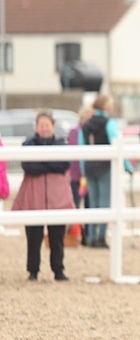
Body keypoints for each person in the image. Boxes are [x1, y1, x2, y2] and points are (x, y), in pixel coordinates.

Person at [12, 111, 73, 281]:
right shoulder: (28, 144)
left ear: (53, 126)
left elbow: (63, 165)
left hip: (57, 197)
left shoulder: (62, 145)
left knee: (57, 237)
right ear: (36, 127)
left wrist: (42, 162)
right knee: (33, 236)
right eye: (41, 125)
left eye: (47, 125)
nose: (44, 128)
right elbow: (29, 167)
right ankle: (33, 271)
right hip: (35, 197)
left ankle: (58, 270)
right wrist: (50, 163)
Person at [79, 94, 123, 249]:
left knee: (93, 202)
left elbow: (81, 147)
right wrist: (127, 166)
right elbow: (116, 143)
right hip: (105, 166)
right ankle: (101, 237)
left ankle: (91, 237)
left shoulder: (86, 125)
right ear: (104, 106)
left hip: (90, 167)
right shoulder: (109, 123)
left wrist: (84, 168)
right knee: (104, 202)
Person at [68, 106, 93, 244]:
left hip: (86, 174)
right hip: (76, 175)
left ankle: (87, 234)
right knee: (76, 205)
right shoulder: (75, 132)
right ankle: (78, 233)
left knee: (89, 205)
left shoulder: (89, 132)